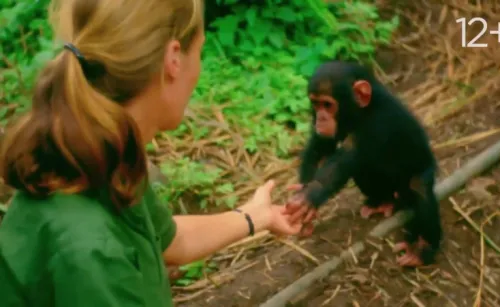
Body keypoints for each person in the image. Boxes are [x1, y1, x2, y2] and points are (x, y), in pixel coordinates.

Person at [0, 0, 304, 306]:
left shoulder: (96, 158)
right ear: (174, 59)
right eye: (199, 51)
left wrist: (254, 216)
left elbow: (171, 240)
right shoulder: (93, 255)